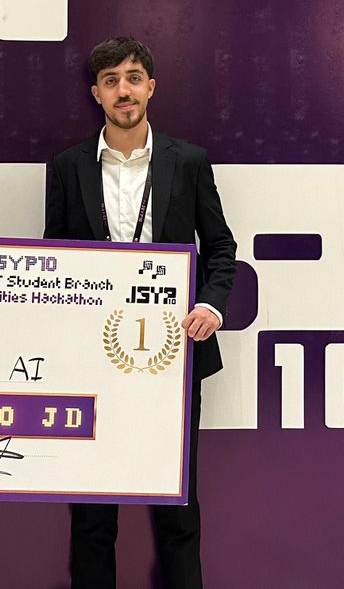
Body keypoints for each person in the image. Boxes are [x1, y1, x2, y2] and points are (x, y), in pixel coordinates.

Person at [44, 36, 237, 589]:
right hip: (93, 359)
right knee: (92, 511)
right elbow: (53, 259)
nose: (123, 91)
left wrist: (211, 304)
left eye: (132, 78)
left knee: (177, 506)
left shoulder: (189, 161)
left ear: (150, 87)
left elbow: (220, 246)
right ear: (96, 94)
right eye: (111, 81)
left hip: (172, 355)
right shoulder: (67, 167)